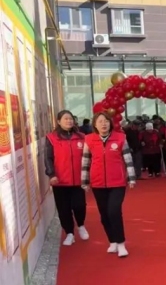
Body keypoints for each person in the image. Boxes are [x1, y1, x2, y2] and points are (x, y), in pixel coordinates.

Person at [81, 112, 136, 258]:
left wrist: (131, 178)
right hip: (98, 183)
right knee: (104, 214)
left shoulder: (120, 138)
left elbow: (128, 159)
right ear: (95, 124)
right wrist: (84, 181)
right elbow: (85, 161)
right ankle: (112, 241)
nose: (103, 124)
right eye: (100, 121)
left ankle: (121, 243)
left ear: (110, 123)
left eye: (106, 121)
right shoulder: (89, 139)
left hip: (117, 182)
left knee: (114, 211)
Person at [45, 110, 89, 246]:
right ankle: (69, 233)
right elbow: (48, 158)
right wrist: (51, 174)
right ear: (58, 121)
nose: (69, 121)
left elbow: (89, 157)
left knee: (79, 205)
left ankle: (81, 225)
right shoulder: (51, 138)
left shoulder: (82, 137)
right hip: (60, 181)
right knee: (64, 209)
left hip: (78, 179)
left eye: (70, 119)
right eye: (65, 119)